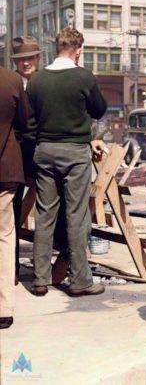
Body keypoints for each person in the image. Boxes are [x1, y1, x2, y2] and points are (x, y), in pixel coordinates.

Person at [28, 27, 108, 298]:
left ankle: (40, 280)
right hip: (74, 152)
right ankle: (80, 281)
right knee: (76, 215)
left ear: (56, 48)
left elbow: (29, 121)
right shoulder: (82, 76)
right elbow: (99, 109)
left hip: (44, 150)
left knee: (44, 214)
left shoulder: (37, 80)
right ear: (78, 50)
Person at [10, 36, 41, 285]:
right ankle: (12, 269)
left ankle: (45, 270)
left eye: (30, 58)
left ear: (38, 59)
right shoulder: (10, 82)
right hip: (16, 157)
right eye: (21, 60)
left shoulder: (44, 83)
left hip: (41, 156)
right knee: (13, 213)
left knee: (50, 211)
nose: (26, 63)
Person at [0, 66, 28, 329]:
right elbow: (23, 121)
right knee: (5, 236)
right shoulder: (12, 80)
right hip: (6, 168)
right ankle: (4, 307)